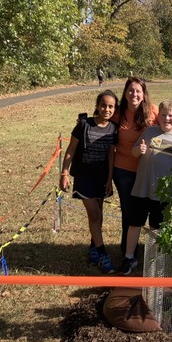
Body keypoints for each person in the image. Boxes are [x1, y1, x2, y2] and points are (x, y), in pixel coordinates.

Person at [120, 100, 172, 275]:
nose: (166, 118)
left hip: (163, 194)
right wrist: (139, 150)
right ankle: (129, 258)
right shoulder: (149, 132)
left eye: (171, 115)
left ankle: (157, 261)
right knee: (134, 223)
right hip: (142, 188)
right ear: (158, 117)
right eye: (163, 115)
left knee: (157, 228)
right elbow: (135, 152)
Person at [59, 90, 118, 274]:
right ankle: (102, 254)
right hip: (84, 177)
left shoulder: (113, 128)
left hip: (101, 178)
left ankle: (93, 247)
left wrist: (109, 179)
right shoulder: (84, 124)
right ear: (97, 106)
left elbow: (111, 155)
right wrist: (64, 173)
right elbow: (70, 150)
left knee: (98, 214)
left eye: (111, 106)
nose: (106, 109)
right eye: (103, 105)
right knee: (94, 215)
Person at [111, 77, 158, 262]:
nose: (134, 94)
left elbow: (167, 126)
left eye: (138, 91)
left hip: (148, 170)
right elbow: (102, 120)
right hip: (124, 170)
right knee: (129, 211)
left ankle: (152, 252)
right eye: (130, 90)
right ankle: (128, 252)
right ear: (125, 93)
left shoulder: (152, 111)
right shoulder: (118, 113)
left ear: (144, 94)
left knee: (151, 211)